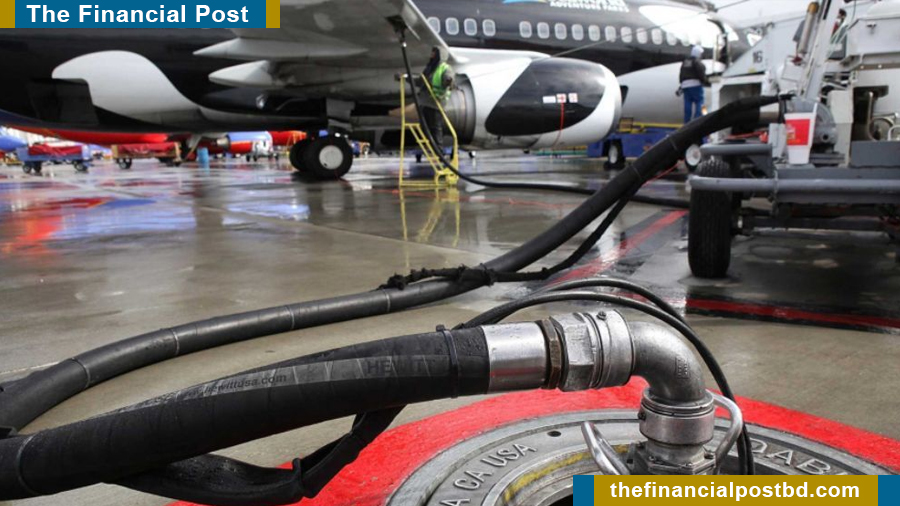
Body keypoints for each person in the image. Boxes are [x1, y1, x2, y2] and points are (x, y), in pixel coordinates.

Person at [421, 46, 454, 152]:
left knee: (436, 128)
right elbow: (421, 80)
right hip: (426, 101)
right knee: (425, 127)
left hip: (437, 103)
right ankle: (430, 148)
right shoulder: (429, 68)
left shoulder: (445, 68)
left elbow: (448, 79)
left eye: (434, 52)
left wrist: (448, 81)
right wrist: (406, 78)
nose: (431, 54)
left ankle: (438, 151)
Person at [679, 45, 710, 124]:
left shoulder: (685, 62)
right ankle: (698, 120)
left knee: (687, 104)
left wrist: (682, 84)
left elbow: (681, 74)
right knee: (700, 102)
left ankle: (686, 122)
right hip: (696, 85)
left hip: (685, 85)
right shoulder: (697, 62)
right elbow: (701, 73)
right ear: (698, 53)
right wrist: (706, 82)